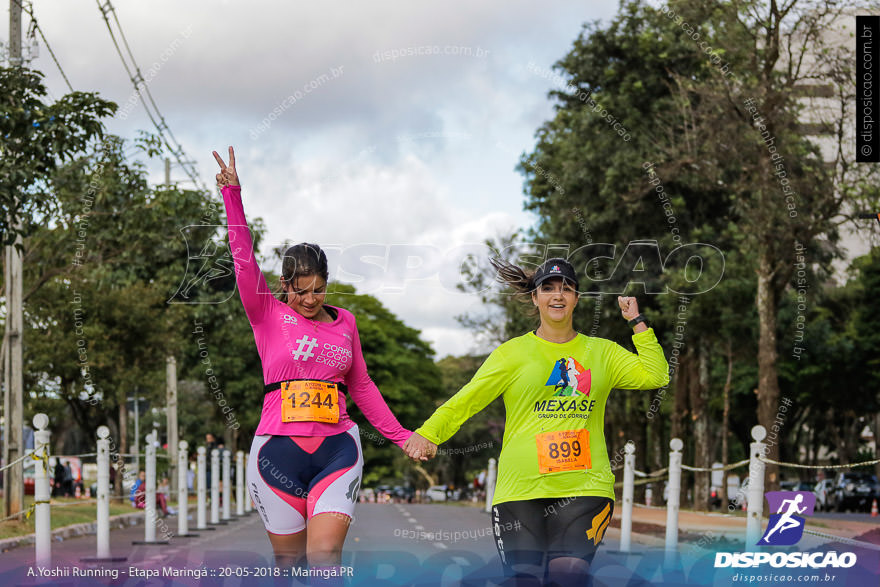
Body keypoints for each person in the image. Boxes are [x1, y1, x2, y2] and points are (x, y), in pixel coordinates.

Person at [404, 257, 670, 586]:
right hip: (520, 490)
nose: (557, 296)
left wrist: (637, 321)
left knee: (568, 575)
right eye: (548, 289)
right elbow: (467, 399)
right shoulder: (512, 354)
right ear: (535, 297)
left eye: (566, 289)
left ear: (577, 298)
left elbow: (656, 374)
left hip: (585, 487)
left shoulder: (602, 353)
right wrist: (429, 433)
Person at [213, 147, 412, 576]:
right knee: (287, 564)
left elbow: (361, 386)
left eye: (318, 290)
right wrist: (232, 193)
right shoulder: (266, 312)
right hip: (275, 452)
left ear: (327, 285)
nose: (308, 300)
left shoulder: (347, 323)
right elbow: (242, 259)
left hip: (336, 449)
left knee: (324, 559)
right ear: (283, 284)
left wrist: (401, 436)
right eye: (299, 290)